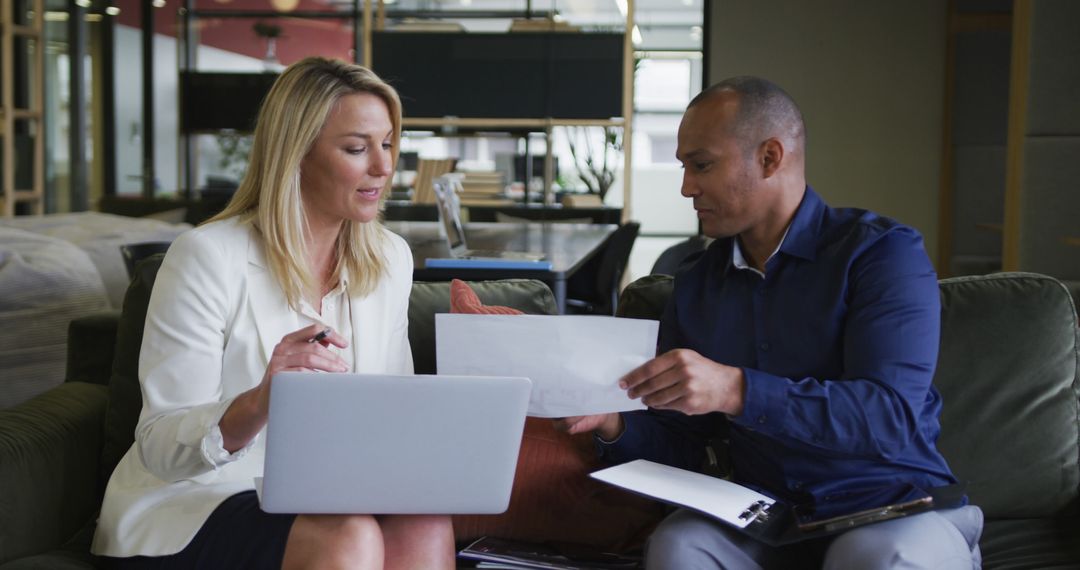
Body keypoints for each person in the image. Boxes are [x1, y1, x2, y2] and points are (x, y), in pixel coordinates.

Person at [558, 77, 984, 569]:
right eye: (684, 168)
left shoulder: (882, 254)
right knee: (679, 544)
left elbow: (889, 417)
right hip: (767, 516)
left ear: (769, 158)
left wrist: (737, 389)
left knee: (874, 556)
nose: (686, 187)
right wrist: (612, 425)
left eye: (701, 165)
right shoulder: (695, 284)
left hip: (894, 506)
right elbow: (682, 442)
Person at [92, 57, 454, 569]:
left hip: (329, 492)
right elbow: (160, 448)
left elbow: (391, 410)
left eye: (388, 143)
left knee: (425, 521)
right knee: (347, 536)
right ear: (297, 153)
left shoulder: (390, 258)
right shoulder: (206, 256)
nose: (383, 166)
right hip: (197, 496)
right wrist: (262, 400)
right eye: (356, 148)